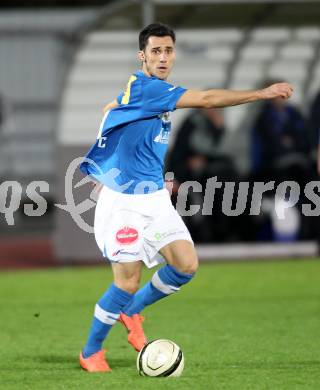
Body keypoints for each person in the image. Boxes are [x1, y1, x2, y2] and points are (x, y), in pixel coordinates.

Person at [79, 23, 293, 372]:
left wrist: (111, 163)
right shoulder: (150, 89)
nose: (163, 57)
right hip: (124, 205)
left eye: (168, 51)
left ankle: (132, 312)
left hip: (154, 198)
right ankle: (91, 352)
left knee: (185, 264)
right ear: (142, 56)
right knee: (127, 282)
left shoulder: (145, 90)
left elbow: (110, 110)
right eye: (156, 51)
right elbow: (207, 100)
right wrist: (262, 93)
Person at [167, 108, 240, 242]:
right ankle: (214, 234)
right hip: (185, 175)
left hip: (205, 175)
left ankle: (224, 232)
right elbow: (210, 148)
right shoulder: (194, 122)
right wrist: (219, 129)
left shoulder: (210, 123)